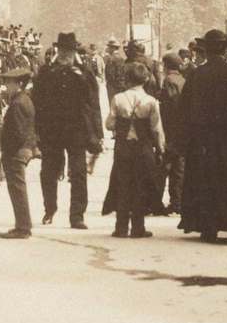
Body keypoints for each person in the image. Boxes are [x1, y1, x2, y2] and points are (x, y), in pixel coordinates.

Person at [178, 30, 227, 242]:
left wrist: (184, 139)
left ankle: (208, 227)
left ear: (206, 50)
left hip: (204, 140)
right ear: (224, 49)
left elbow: (184, 110)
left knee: (205, 182)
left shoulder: (196, 75)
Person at [32, 33, 103, 229]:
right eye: (62, 50)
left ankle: (77, 215)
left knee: (78, 173)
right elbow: (36, 102)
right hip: (51, 130)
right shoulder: (46, 72)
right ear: (57, 51)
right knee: (48, 172)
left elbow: (93, 104)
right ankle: (50, 209)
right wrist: (36, 131)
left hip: (77, 131)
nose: (65, 54)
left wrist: (97, 134)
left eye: (69, 51)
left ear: (74, 52)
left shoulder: (84, 74)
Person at [102, 62, 165, 238]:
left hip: (123, 147)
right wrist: (160, 148)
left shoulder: (118, 98)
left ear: (128, 79)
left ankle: (121, 227)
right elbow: (156, 129)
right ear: (145, 79)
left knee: (122, 185)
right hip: (143, 148)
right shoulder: (151, 102)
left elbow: (109, 124)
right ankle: (138, 227)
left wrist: (122, 124)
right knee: (140, 186)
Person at [0, 66, 38, 239]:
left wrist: (10, 152)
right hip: (22, 150)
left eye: (10, 83)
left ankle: (22, 227)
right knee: (18, 188)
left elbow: (19, 133)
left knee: (17, 189)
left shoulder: (17, 103)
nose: (7, 86)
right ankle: (23, 225)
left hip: (16, 152)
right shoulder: (24, 100)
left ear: (19, 84)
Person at [157, 52, 187, 215]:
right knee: (179, 168)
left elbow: (169, 107)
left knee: (163, 166)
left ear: (167, 66)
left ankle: (156, 201)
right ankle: (177, 202)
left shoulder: (168, 81)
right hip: (181, 130)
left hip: (170, 130)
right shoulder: (183, 80)